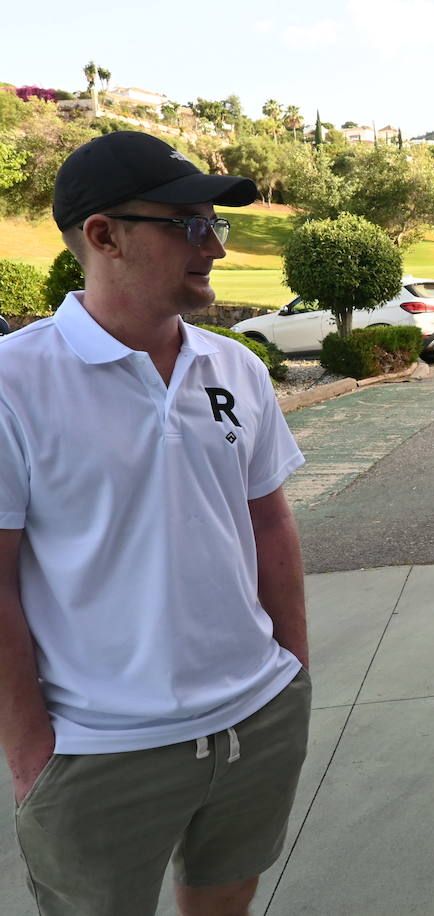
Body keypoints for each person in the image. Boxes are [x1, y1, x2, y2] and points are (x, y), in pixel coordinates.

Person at [0, 131, 310, 916]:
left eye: (216, 225)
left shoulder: (233, 366)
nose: (213, 247)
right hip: (101, 748)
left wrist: (292, 673)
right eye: (187, 225)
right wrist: (33, 749)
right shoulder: (16, 383)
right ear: (103, 235)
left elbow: (269, 522)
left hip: (255, 718)